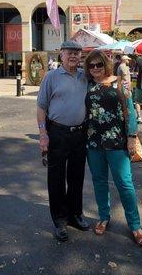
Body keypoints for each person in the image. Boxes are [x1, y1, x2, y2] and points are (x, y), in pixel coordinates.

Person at [84, 50, 142, 246]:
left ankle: (135, 225)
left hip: (117, 142)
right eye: (91, 66)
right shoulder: (87, 84)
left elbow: (129, 111)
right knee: (99, 181)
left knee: (125, 184)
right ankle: (104, 216)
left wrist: (131, 137)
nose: (95, 69)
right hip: (93, 142)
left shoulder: (120, 83)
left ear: (106, 64)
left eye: (99, 65)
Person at [37, 40, 89, 242]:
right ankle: (60, 219)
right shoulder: (51, 77)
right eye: (70, 53)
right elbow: (41, 107)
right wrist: (43, 134)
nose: (74, 56)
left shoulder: (85, 76)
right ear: (61, 55)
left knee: (77, 176)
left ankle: (75, 214)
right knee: (56, 178)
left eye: (77, 53)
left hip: (79, 134)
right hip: (57, 133)